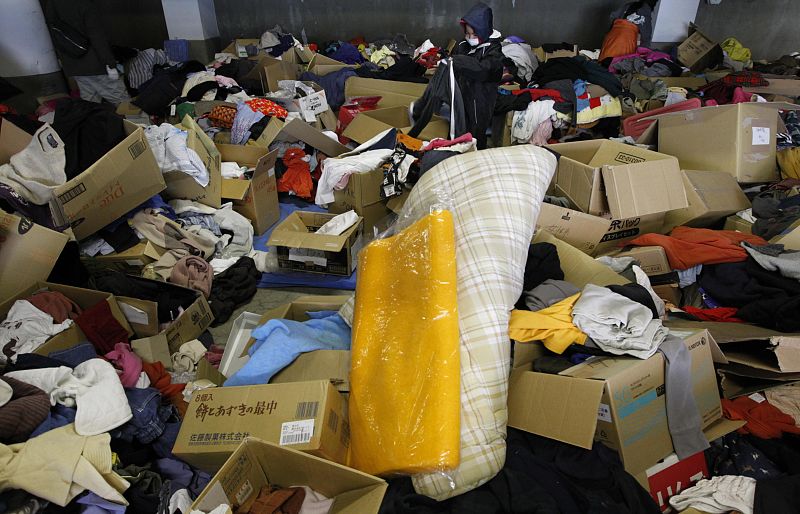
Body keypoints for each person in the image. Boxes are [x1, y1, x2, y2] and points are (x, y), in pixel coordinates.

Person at [42, 0, 130, 106]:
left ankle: (94, 122)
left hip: (74, 64)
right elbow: (97, 37)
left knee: (90, 103)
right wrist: (110, 63)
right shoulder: (84, 4)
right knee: (123, 102)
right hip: (96, 64)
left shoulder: (52, 4)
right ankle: (137, 122)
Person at [450, 2, 504, 150]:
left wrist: (458, 61)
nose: (469, 37)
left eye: (474, 34)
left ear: (483, 31)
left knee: (476, 133)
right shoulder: (463, 45)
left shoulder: (494, 51)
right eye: (467, 33)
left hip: (481, 99)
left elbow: (484, 70)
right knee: (460, 130)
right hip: (463, 94)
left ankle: (477, 156)